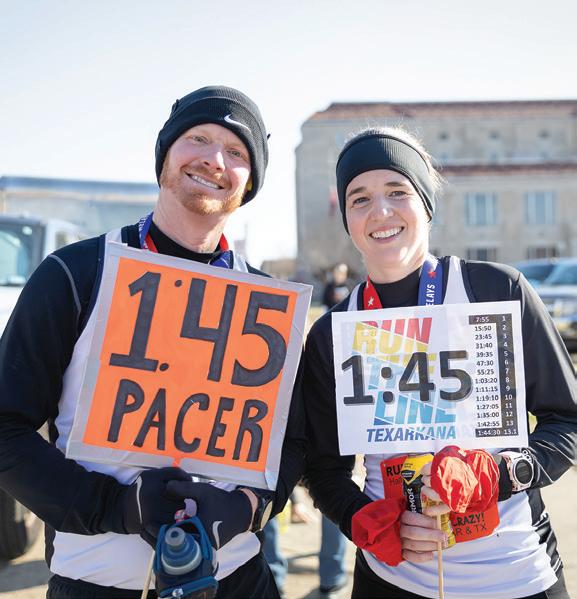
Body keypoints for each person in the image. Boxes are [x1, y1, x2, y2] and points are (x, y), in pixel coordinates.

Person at [0, 85, 305, 598]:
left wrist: (248, 507)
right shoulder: (76, 273)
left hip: (235, 578)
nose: (214, 160)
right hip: (96, 581)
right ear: (165, 154)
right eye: (198, 138)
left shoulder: (270, 302)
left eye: (236, 152)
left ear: (249, 182)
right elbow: (6, 429)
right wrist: (116, 506)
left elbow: (293, 441)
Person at [303, 126, 577, 598]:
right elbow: (324, 468)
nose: (380, 211)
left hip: (517, 574)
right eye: (359, 198)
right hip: (391, 579)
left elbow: (567, 422)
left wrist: (501, 473)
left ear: (426, 205)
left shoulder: (497, 290)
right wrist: (362, 520)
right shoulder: (334, 330)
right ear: (347, 218)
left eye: (397, 191)